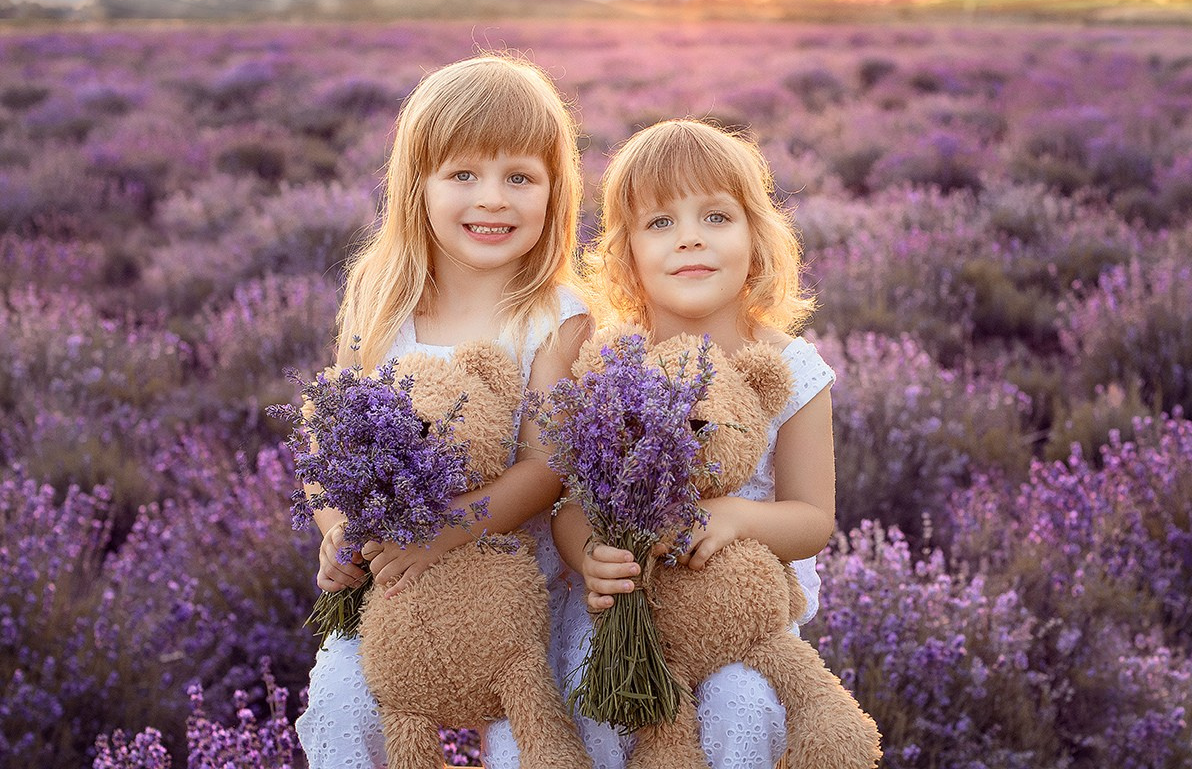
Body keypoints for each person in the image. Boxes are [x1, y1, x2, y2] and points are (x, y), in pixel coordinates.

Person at [293, 53, 590, 769]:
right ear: (416, 186)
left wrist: (444, 534)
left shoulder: (557, 315)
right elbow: (328, 440)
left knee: (534, 744)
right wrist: (335, 533)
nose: (493, 199)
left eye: (520, 177)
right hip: (398, 585)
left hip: (523, 594)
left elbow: (548, 465)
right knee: (338, 707)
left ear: (554, 192)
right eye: (463, 174)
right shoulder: (382, 296)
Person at [552, 118, 837, 768]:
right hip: (629, 619)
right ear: (626, 255)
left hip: (742, 623)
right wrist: (588, 553)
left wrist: (736, 516)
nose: (689, 240)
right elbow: (571, 503)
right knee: (599, 714)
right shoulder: (615, 363)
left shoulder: (791, 368)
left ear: (756, 235)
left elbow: (812, 521)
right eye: (660, 224)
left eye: (715, 217)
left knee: (744, 709)